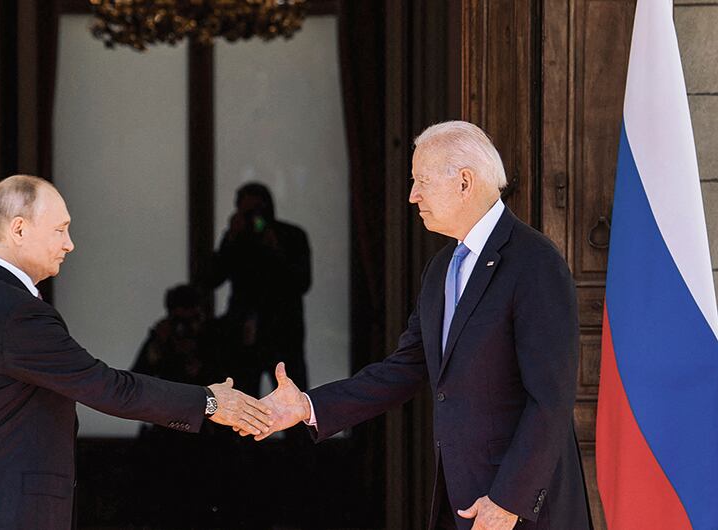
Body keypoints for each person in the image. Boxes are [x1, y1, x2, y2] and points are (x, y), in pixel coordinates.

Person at [252, 122, 592, 530]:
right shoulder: (441, 269)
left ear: (465, 182)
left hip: (519, 509)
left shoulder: (534, 262)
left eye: (421, 181)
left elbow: (550, 399)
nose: (413, 195)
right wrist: (308, 407)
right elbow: (404, 369)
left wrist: (508, 500)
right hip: (459, 500)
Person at [0, 175, 272, 530]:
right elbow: (106, 386)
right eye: (60, 230)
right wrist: (209, 403)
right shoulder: (13, 310)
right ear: (18, 230)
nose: (69, 244)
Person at [209, 182, 311, 400]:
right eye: (247, 212)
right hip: (244, 335)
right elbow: (210, 279)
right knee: (243, 404)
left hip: (283, 333)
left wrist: (277, 250)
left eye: (259, 211)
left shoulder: (291, 236)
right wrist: (229, 240)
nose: (255, 219)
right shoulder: (236, 239)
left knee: (294, 405)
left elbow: (302, 282)